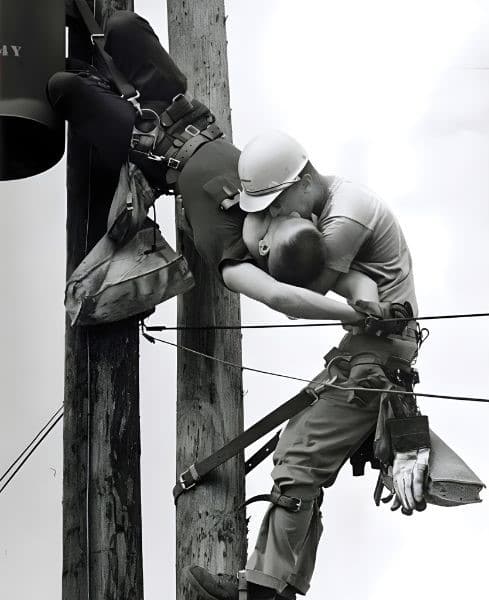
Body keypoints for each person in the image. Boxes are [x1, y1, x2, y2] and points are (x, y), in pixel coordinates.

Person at [185, 133, 432, 600]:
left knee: (299, 460)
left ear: (301, 181)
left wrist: (245, 243)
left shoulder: (344, 216)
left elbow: (292, 288)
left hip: (375, 358)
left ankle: (262, 590)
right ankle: (274, 583)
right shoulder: (325, 206)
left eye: (276, 203)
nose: (276, 215)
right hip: (368, 352)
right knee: (298, 451)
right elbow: (351, 283)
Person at [50, 8, 372, 326]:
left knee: (64, 86)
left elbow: (281, 298)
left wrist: (351, 316)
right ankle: (93, 54)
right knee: (121, 25)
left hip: (148, 144)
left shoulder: (236, 261)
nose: (283, 211)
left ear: (264, 248)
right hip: (181, 109)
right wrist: (372, 307)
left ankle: (86, 74)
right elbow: (355, 280)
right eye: (296, 215)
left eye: (282, 221)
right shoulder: (274, 211)